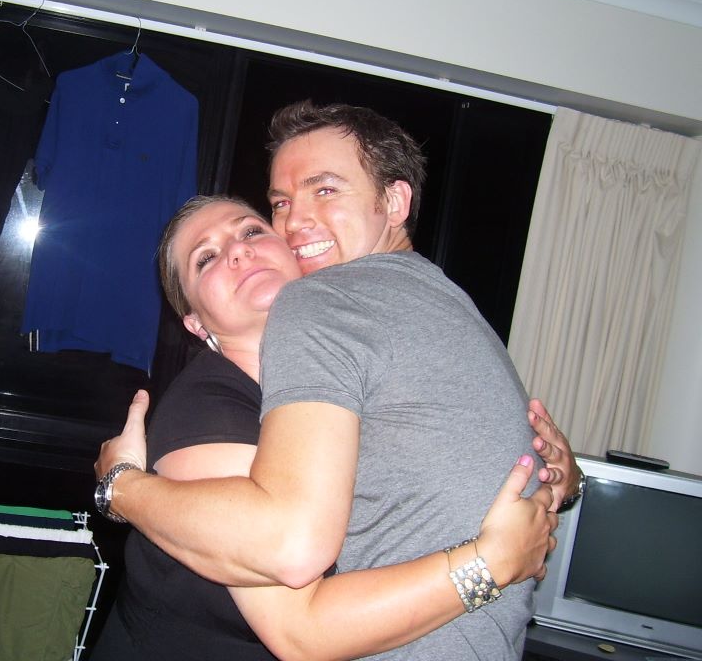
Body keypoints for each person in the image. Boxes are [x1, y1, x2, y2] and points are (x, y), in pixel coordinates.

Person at [95, 101, 581, 659]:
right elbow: (297, 602)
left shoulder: (352, 351)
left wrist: (561, 478)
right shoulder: (207, 407)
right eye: (205, 259)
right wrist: (121, 486)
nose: (242, 250)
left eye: (252, 228)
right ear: (196, 323)